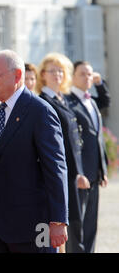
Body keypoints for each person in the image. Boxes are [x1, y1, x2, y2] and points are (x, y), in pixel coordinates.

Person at [0, 49, 68, 253]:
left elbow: (55, 168)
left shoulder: (40, 111)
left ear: (18, 76)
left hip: (32, 225)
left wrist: (58, 220)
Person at [36, 53, 85, 253]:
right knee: (62, 227)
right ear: (43, 75)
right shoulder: (44, 102)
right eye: (52, 71)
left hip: (73, 173)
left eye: (60, 71)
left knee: (75, 226)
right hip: (60, 173)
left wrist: (80, 172)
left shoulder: (62, 99)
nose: (57, 75)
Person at [66, 60, 110, 253]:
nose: (87, 78)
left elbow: (97, 137)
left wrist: (103, 169)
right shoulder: (67, 101)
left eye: (90, 74)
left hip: (94, 173)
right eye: (83, 73)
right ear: (73, 77)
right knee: (77, 226)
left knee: (91, 225)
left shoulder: (91, 101)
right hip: (79, 175)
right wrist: (78, 172)